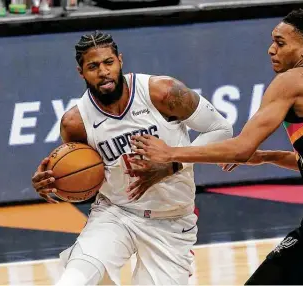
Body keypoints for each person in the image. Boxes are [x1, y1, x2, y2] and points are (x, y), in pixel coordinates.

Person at [131, 9, 303, 285]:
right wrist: (267, 156)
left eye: (280, 43)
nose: (271, 50)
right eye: (272, 42)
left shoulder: (293, 80)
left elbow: (241, 147)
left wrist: (171, 153)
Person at [30, 31, 233, 285]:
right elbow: (81, 176)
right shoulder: (75, 122)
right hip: (116, 213)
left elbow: (221, 129)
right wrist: (52, 183)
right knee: (74, 281)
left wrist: (171, 164)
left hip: (170, 220)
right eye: (93, 66)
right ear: (81, 72)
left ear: (120, 61)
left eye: (108, 62)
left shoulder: (163, 92)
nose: (103, 71)